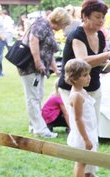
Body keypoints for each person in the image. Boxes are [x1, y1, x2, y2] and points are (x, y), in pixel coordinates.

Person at [58, 0, 110, 177]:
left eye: (103, 17)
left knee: (93, 128)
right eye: (97, 17)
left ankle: (91, 172)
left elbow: (99, 67)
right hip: (74, 89)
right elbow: (83, 62)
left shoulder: (101, 35)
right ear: (85, 16)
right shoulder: (76, 35)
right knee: (82, 130)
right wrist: (109, 54)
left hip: (93, 87)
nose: (101, 20)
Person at [18, 7, 71, 139]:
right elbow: (33, 40)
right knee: (33, 98)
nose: (64, 27)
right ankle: (40, 129)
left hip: (40, 69)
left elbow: (49, 52)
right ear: (59, 20)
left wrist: (56, 69)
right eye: (64, 24)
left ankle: (34, 125)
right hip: (30, 67)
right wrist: (37, 62)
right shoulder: (41, 24)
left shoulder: (48, 28)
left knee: (38, 96)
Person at [65, 59, 99, 177]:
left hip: (89, 132)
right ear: (73, 78)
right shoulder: (77, 96)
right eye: (84, 75)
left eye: (88, 74)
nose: (88, 77)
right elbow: (78, 119)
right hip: (82, 136)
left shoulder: (82, 91)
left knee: (81, 163)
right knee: (81, 164)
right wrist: (86, 139)